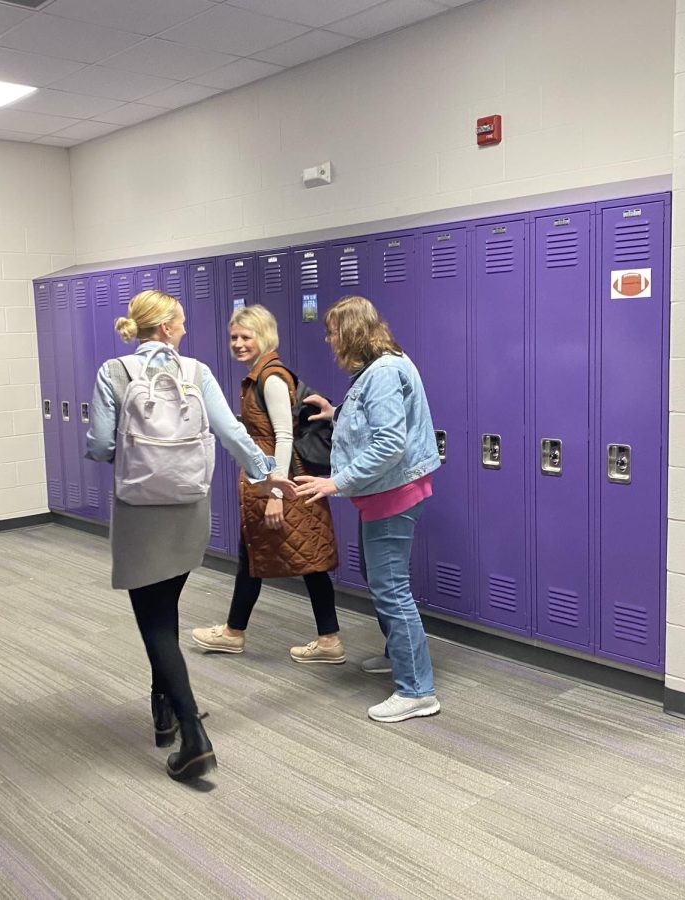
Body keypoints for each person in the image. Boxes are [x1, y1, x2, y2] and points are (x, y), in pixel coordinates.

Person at [86, 290, 293, 782]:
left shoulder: (113, 372)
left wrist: (138, 459)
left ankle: (192, 732)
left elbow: (98, 446)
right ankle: (164, 710)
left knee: (154, 622)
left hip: (140, 510)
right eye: (181, 323)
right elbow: (233, 434)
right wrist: (267, 475)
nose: (185, 330)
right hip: (189, 508)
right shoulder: (197, 372)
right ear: (167, 328)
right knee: (167, 607)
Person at [293, 296, 442, 724]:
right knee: (382, 582)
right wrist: (335, 412)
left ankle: (417, 690)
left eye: (334, 331)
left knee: (391, 588)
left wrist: (334, 481)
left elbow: (389, 444)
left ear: (353, 332)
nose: (329, 339)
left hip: (392, 494)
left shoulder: (383, 372)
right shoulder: (384, 365)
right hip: (385, 493)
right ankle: (401, 658)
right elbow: (374, 420)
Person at [191, 305, 343, 664]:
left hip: (281, 481)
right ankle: (239, 632)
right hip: (273, 479)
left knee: (305, 559)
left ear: (265, 338)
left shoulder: (271, 378)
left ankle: (321, 640)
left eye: (247, 336)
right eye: (234, 337)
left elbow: (284, 436)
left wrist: (276, 491)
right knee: (265, 555)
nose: (239, 343)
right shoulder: (259, 375)